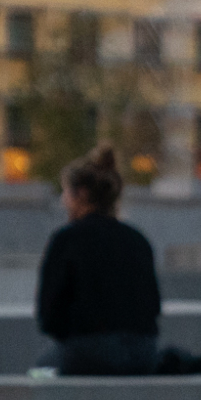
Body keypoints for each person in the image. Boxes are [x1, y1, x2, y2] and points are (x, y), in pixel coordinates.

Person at [36, 146, 165, 376]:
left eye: (66, 193)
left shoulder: (67, 239)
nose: (63, 200)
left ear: (81, 195)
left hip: (91, 353)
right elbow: (153, 306)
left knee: (41, 368)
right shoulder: (137, 239)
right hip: (144, 354)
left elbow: (49, 315)